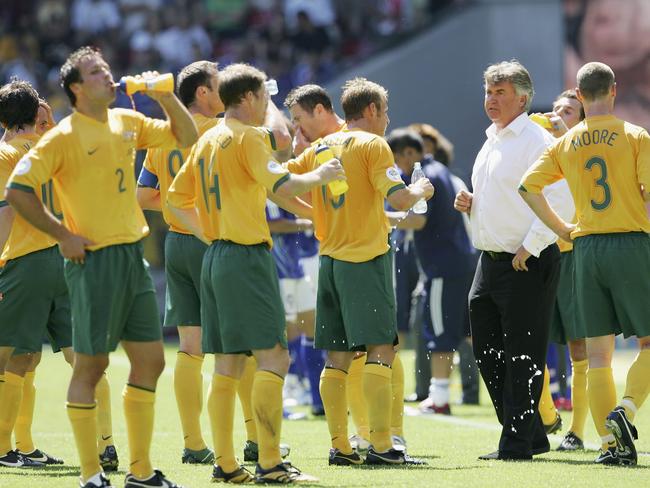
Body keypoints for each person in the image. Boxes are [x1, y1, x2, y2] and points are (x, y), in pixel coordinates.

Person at [5, 46, 197, 488]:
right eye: (96, 72)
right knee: (89, 368)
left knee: (150, 362)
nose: (108, 76)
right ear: (75, 87)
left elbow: (185, 138)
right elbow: (18, 191)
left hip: (132, 257)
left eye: (108, 69)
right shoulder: (61, 136)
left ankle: (141, 471)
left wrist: (166, 95)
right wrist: (63, 236)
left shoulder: (128, 121)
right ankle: (91, 474)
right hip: (91, 262)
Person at [167, 63, 341, 484]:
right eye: (264, 96)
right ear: (247, 97)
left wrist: (211, 233)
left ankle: (226, 465)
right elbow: (279, 186)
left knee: (227, 363)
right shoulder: (247, 137)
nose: (267, 104)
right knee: (273, 356)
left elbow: (174, 199)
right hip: (245, 257)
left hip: (217, 257)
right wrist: (324, 174)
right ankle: (269, 463)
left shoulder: (208, 138)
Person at [285, 77, 433, 466]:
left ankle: (341, 447)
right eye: (384, 112)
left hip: (329, 261)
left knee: (336, 358)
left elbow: (276, 186)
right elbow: (399, 197)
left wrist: (313, 212)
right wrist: (422, 191)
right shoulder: (373, 144)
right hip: (365, 261)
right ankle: (383, 446)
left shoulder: (318, 148)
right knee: (381, 348)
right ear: (371, 110)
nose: (387, 120)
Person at [519, 61, 650, 466]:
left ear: (578, 95)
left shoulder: (565, 143)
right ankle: (625, 410)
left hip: (585, 249)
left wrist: (563, 229)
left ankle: (611, 448)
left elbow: (528, 187)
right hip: (630, 243)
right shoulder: (635, 136)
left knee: (596, 356)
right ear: (614, 90)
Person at [454, 60, 573, 461]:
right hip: (489, 261)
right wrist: (472, 204)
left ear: (523, 98)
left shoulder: (538, 141)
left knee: (523, 353)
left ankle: (517, 444)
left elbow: (561, 198)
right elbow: (506, 197)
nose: (491, 99)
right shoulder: (493, 139)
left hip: (526, 261)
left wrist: (533, 244)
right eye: (489, 91)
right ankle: (532, 433)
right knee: (487, 350)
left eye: (501, 92)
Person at [386, 128, 476, 416]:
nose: (397, 167)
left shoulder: (424, 175)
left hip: (442, 265)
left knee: (440, 333)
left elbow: (419, 221)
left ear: (409, 154)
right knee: (466, 333)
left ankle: (438, 398)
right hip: (462, 261)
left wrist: (381, 218)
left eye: (397, 159)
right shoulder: (442, 171)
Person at [535, 89, 590, 451]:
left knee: (579, 346)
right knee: (532, 339)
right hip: (539, 253)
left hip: (573, 254)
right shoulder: (540, 152)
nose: (557, 115)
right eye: (555, 109)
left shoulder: (585, 149)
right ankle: (546, 415)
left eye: (568, 111)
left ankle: (579, 431)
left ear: (582, 121)